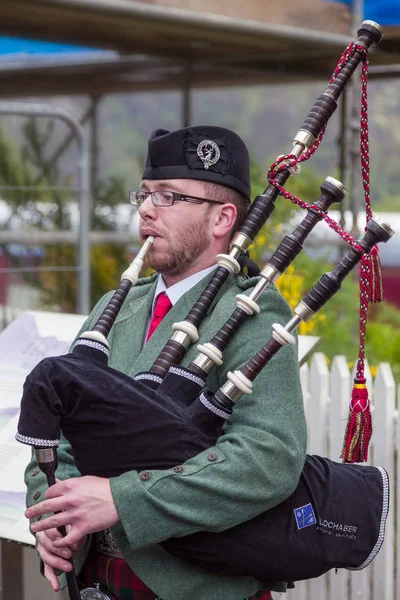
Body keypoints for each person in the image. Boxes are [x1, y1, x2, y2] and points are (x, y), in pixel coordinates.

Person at [24, 125, 307, 600]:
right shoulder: (114, 308)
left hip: (195, 584)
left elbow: (267, 458)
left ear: (223, 219)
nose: (146, 209)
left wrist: (121, 500)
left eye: (170, 197)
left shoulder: (253, 314)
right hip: (97, 579)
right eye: (147, 194)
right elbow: (62, 427)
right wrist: (53, 512)